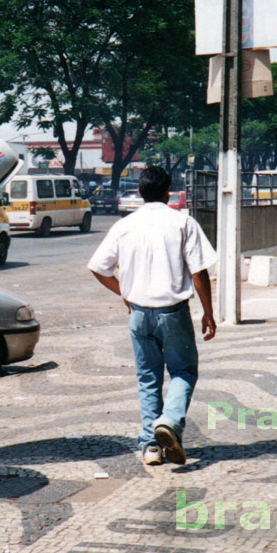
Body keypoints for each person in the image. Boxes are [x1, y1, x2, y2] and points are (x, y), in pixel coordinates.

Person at [88, 165, 217, 466]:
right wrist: (208, 313)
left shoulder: (124, 226)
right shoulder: (182, 222)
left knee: (148, 379)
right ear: (168, 191)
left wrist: (125, 293)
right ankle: (170, 421)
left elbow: (97, 267)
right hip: (173, 313)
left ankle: (150, 447)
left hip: (139, 314)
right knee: (184, 371)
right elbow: (199, 272)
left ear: (140, 193)